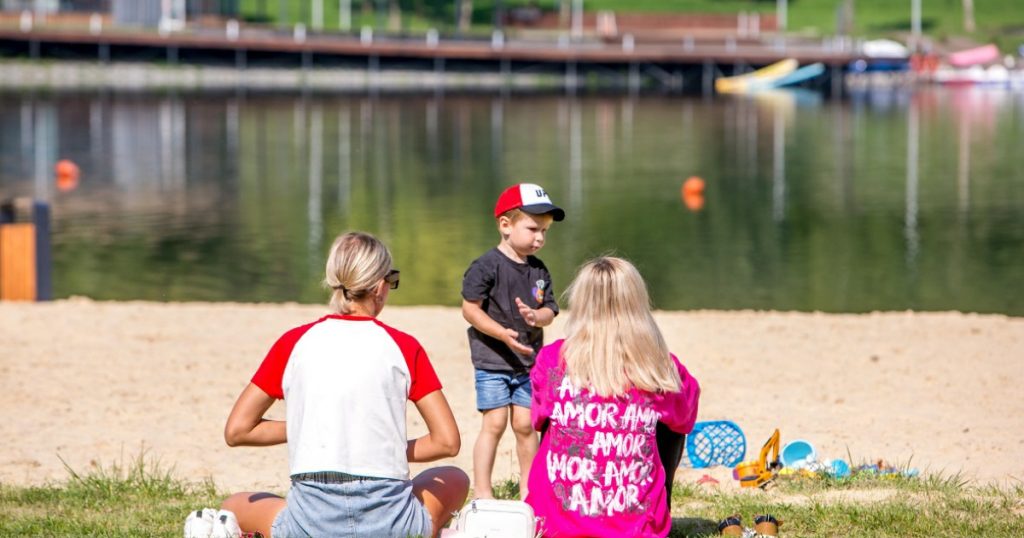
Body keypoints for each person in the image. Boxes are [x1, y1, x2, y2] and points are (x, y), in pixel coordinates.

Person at [201, 232, 469, 538]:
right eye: (391, 280)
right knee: (455, 478)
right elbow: (447, 442)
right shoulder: (403, 347)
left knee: (233, 505)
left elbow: (237, 431)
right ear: (378, 286)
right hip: (390, 525)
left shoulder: (294, 343)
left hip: (309, 526)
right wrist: (380, 447)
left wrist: (311, 427)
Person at [525, 257, 701, 538]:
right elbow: (686, 418)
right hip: (636, 531)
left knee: (553, 418)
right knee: (671, 421)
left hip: (553, 529)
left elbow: (536, 420)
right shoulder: (659, 367)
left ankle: (561, 506)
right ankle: (645, 506)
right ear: (637, 304)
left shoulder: (552, 359)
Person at [461, 183, 565, 499]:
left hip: (527, 363)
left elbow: (550, 310)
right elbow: (470, 309)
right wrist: (501, 333)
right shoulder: (485, 266)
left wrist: (536, 317)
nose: (540, 238)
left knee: (525, 425)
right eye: (533, 229)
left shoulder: (539, 270)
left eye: (544, 231)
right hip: (492, 361)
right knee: (494, 424)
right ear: (505, 225)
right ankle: (482, 491)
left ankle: (528, 490)